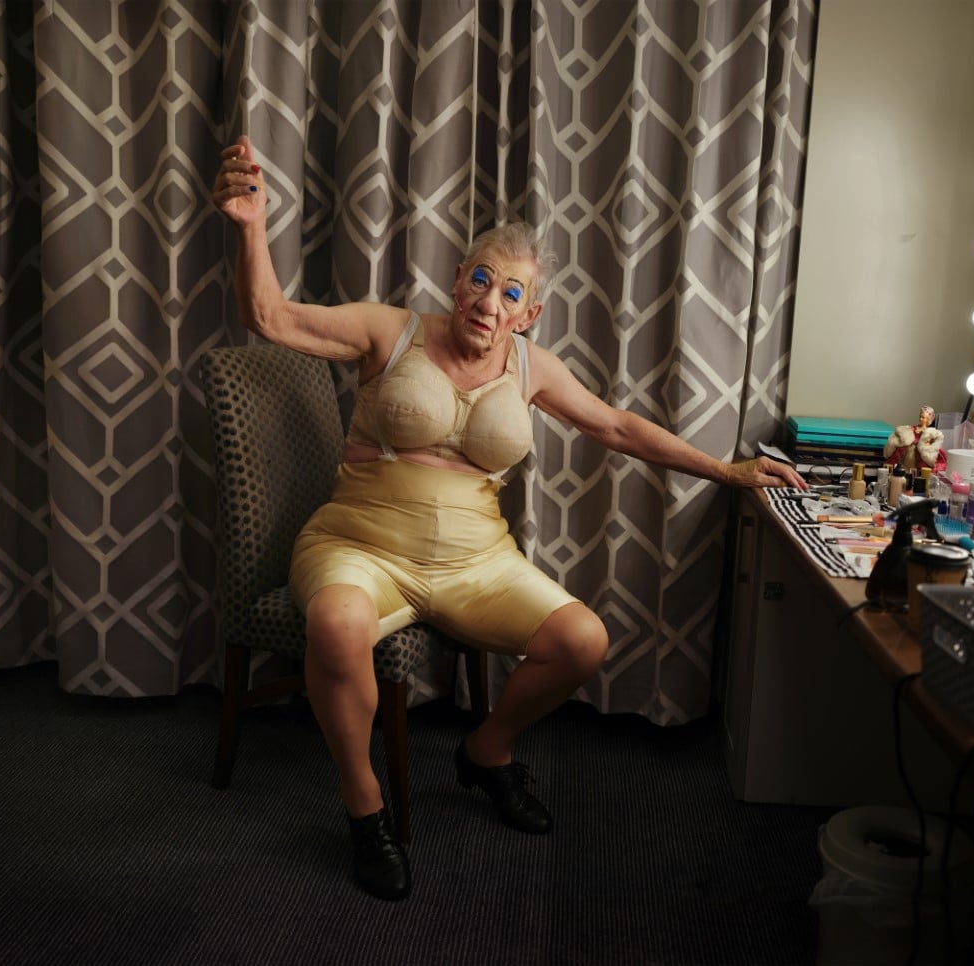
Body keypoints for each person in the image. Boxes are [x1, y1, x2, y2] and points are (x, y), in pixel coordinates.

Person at [212, 135, 807, 901]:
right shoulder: (386, 331)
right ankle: (365, 807)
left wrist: (726, 471)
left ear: (530, 314)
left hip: (476, 564)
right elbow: (269, 316)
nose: (490, 302)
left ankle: (487, 752)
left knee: (581, 640)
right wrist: (252, 226)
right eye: (481, 280)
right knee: (335, 624)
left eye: (511, 293)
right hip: (359, 546)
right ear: (458, 280)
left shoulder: (534, 369)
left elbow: (618, 429)